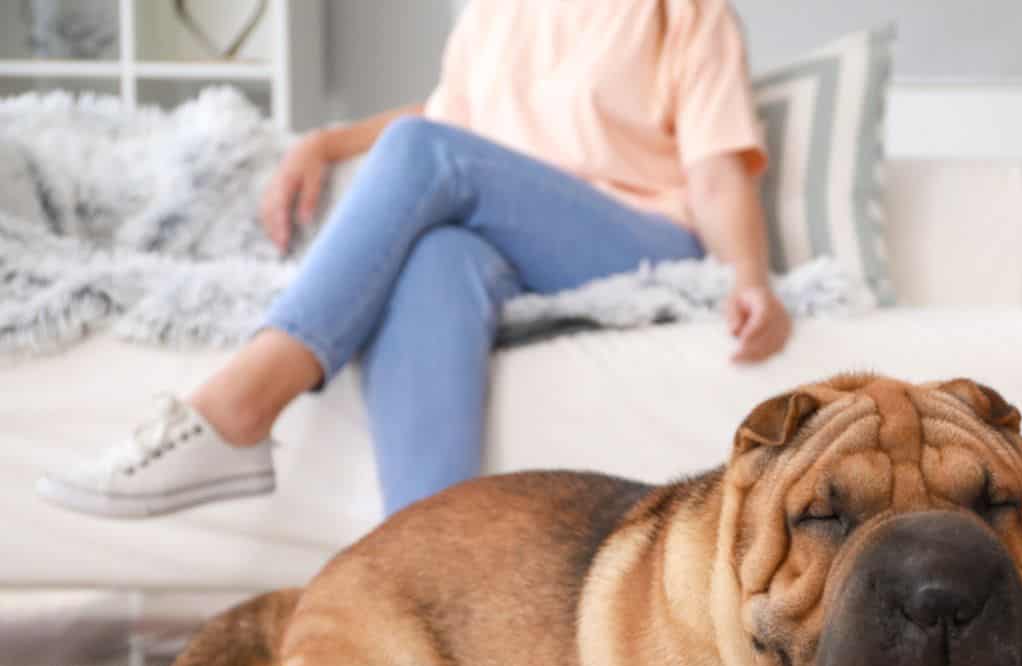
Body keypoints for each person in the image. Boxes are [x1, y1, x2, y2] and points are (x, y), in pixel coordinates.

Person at [38, 0, 790, 519]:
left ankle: (238, 408)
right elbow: (445, 124)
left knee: (423, 159)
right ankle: (426, 580)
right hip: (503, 236)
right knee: (436, 257)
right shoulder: (496, 13)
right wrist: (325, 143)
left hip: (638, 238)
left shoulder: (681, 11)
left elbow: (717, 173)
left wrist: (749, 278)